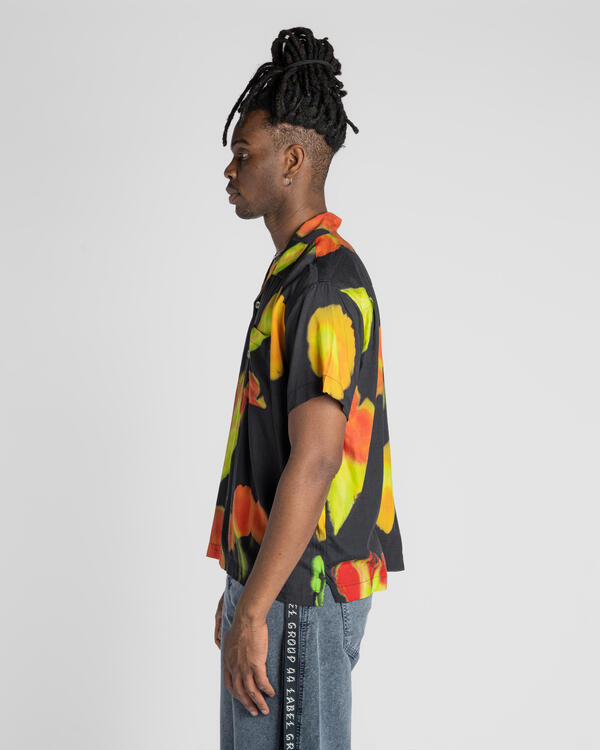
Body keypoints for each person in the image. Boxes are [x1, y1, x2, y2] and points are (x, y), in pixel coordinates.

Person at [205, 26, 405, 750]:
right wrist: (242, 589)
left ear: (292, 161)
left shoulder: (322, 282)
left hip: (301, 594)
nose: (230, 169)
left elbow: (317, 459)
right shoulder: (298, 273)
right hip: (280, 584)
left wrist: (256, 607)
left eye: (244, 153)